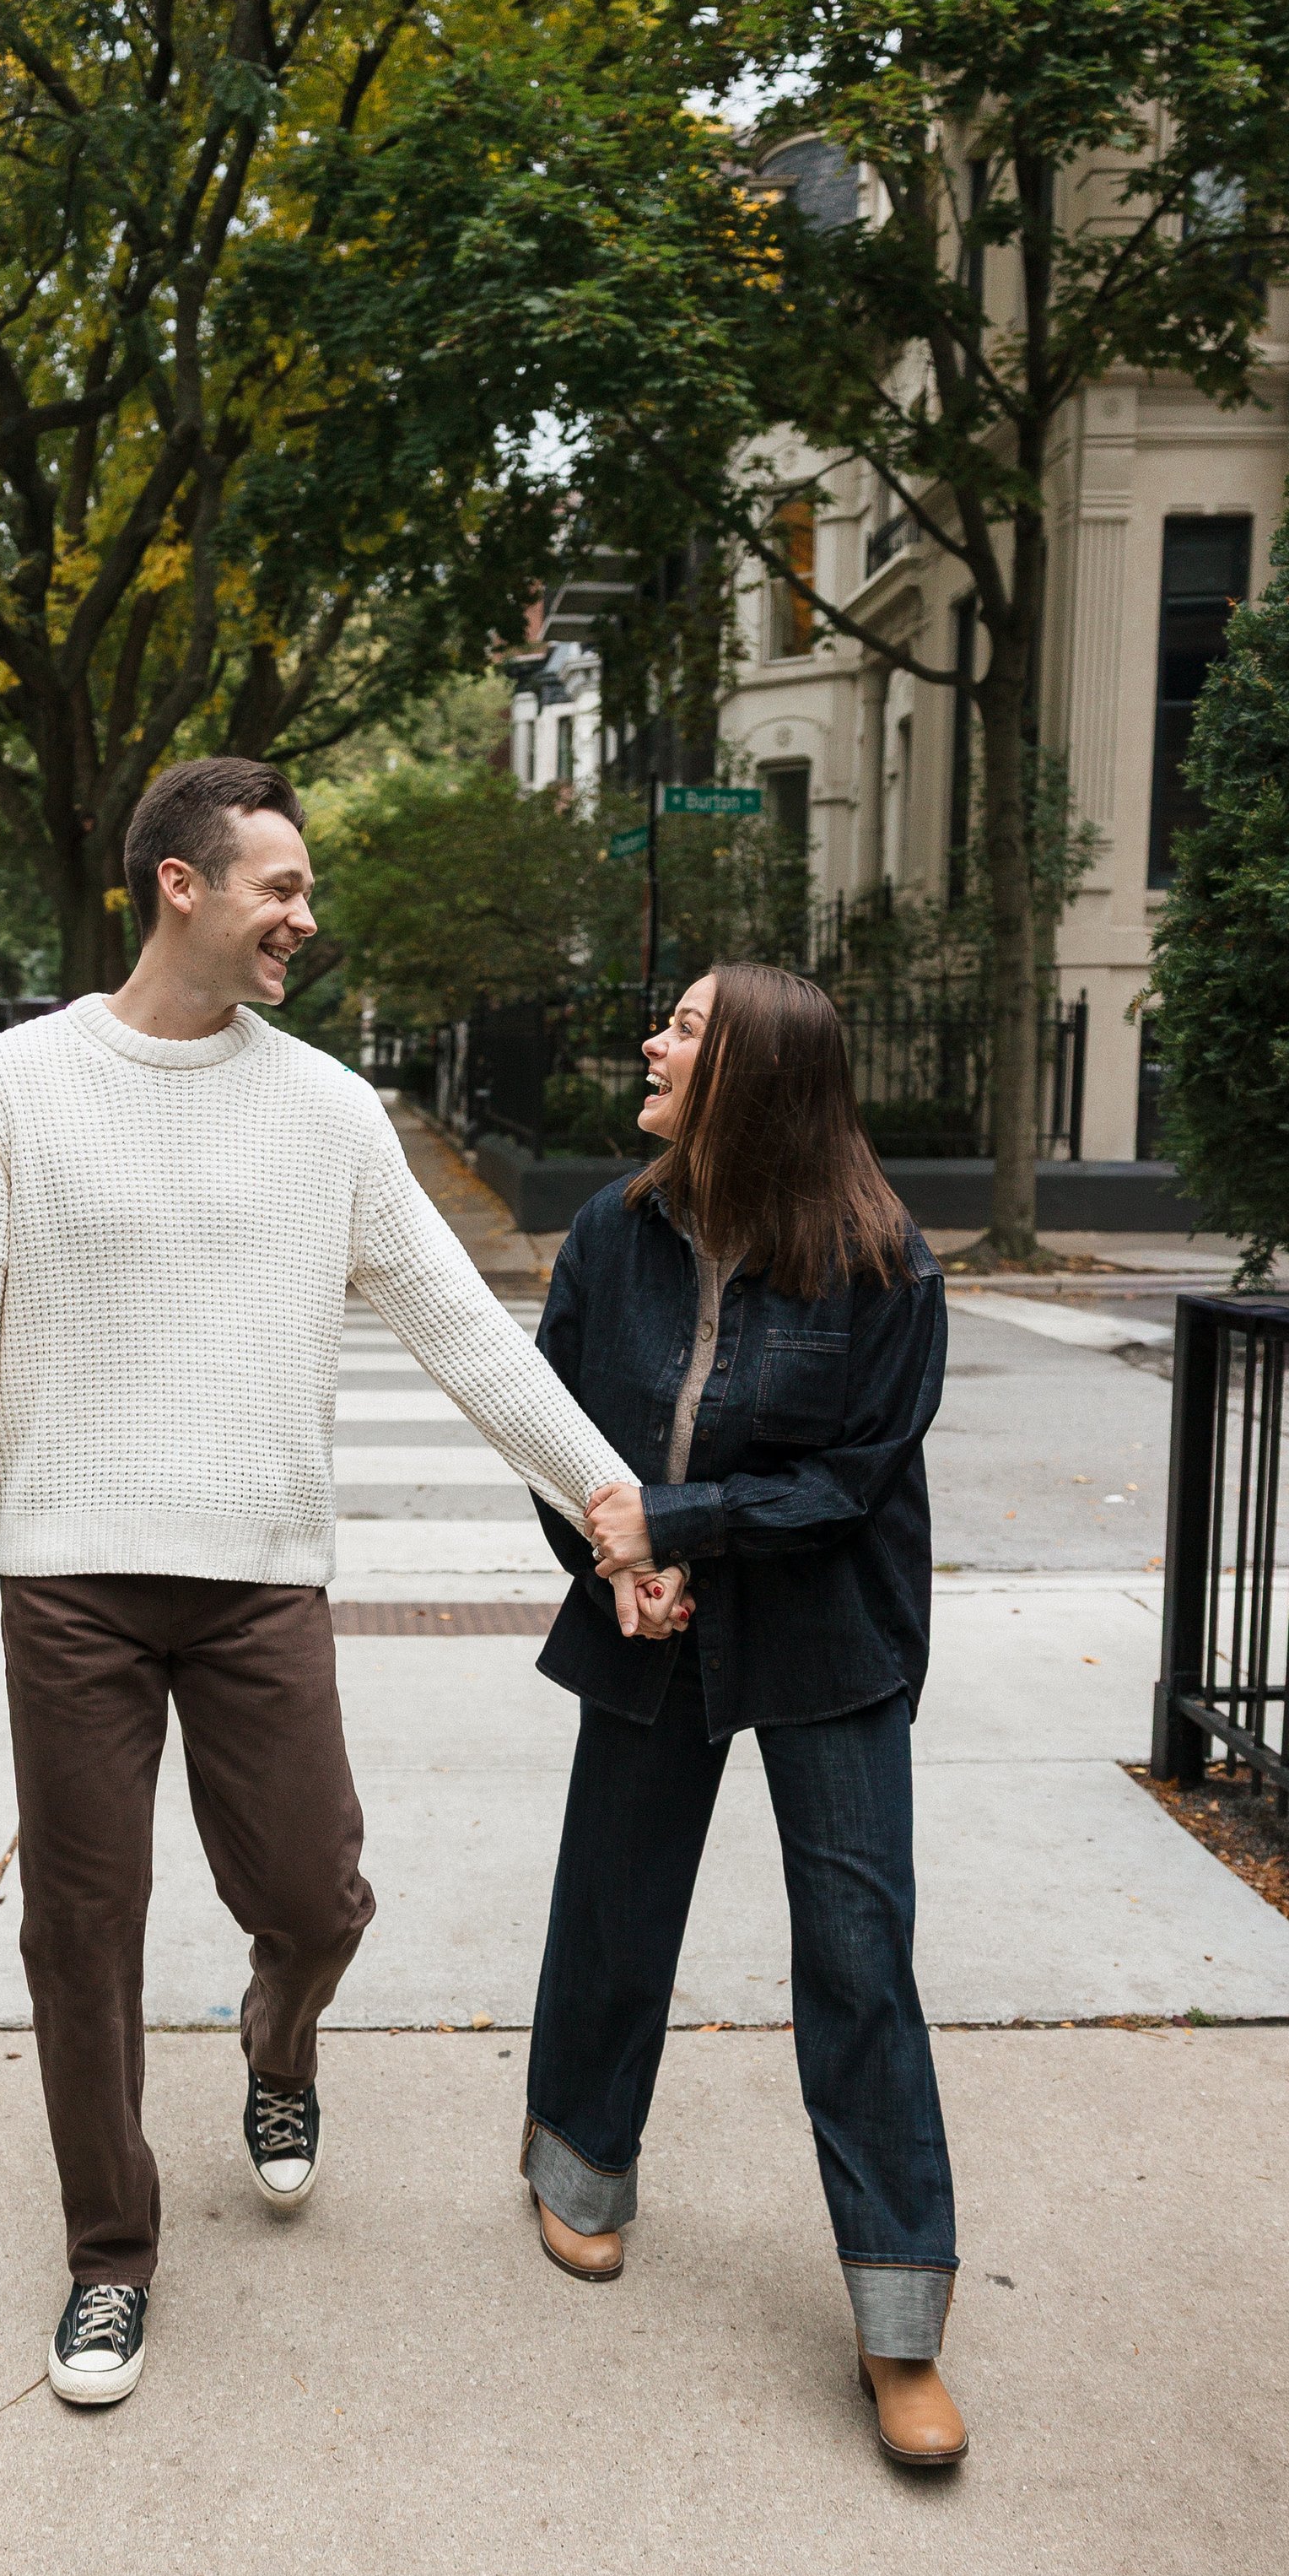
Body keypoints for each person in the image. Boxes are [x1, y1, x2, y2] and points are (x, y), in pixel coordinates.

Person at [0, 756, 675, 2411]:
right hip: (74, 1584)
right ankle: (109, 2257)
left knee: (313, 1899)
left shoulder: (323, 1113)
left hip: (255, 1586)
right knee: (78, 1934)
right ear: (182, 884)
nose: (306, 915)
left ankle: (276, 2040)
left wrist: (601, 1491)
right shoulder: (7, 1092)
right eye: (279, 887)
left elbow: (458, 1325)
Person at [520, 962, 968, 2468]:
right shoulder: (612, 1230)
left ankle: (900, 2321)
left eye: (689, 1027)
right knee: (614, 1905)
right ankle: (579, 2171)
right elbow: (555, 1436)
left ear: (759, 1071)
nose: (654, 1039)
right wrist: (616, 1561)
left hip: (828, 1631)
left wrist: (676, 1523)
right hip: (656, 1615)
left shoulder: (885, 1262)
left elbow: (848, 1482)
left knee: (856, 1953)